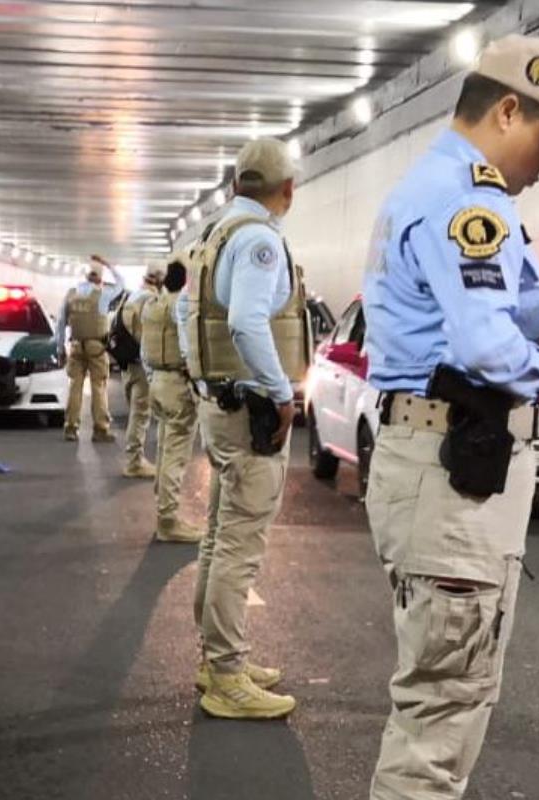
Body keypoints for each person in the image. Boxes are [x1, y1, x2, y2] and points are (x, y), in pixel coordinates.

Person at [361, 34, 539, 800]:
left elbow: (491, 316)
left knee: (447, 704)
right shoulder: (469, 197)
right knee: (438, 723)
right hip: (451, 477)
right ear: (506, 109)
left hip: (439, 466)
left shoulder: (436, 188)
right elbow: (486, 345)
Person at [178, 138, 311, 719]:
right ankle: (227, 677)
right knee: (238, 544)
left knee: (216, 535)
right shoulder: (259, 240)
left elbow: (190, 316)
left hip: (220, 402)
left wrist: (202, 377)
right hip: (251, 411)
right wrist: (281, 395)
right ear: (287, 190)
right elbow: (247, 321)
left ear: (237, 185)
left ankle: (217, 658)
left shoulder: (212, 238)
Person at [141, 257, 204, 543]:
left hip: (157, 380)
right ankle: (168, 520)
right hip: (178, 383)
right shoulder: (183, 306)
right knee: (175, 455)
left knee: (165, 448)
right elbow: (189, 346)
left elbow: (144, 351)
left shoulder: (153, 305)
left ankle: (162, 503)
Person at [55, 255, 126, 442]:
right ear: (100, 277)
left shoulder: (72, 294)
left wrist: (60, 348)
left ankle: (70, 427)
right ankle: (100, 429)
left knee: (75, 387)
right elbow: (121, 283)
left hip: (76, 345)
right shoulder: (102, 294)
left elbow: (61, 323)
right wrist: (108, 263)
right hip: (96, 347)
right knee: (98, 386)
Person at [118, 263, 165, 478]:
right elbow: (150, 336)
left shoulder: (131, 296)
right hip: (141, 365)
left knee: (136, 414)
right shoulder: (150, 300)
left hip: (128, 364)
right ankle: (134, 462)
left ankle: (134, 458)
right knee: (140, 415)